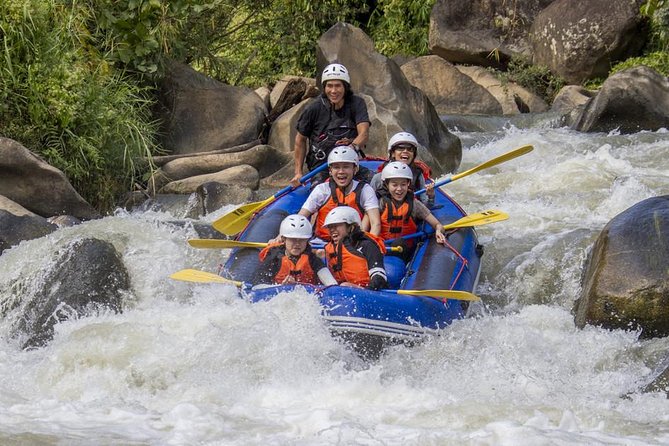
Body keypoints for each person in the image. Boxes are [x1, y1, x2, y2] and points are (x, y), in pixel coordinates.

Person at [290, 63, 371, 187]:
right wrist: (298, 173)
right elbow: (300, 140)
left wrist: (352, 147)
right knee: (319, 191)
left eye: (338, 86)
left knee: (377, 181)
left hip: (349, 165)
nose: (333, 91)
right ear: (324, 87)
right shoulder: (314, 108)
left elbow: (364, 133)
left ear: (345, 87)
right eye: (329, 86)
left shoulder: (356, 103)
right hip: (321, 168)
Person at [298, 145, 381, 241]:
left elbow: (376, 224)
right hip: (322, 243)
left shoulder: (365, 190)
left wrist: (368, 245)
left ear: (355, 169)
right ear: (330, 171)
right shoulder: (322, 190)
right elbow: (301, 216)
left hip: (353, 243)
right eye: (336, 167)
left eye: (346, 167)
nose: (341, 171)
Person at [375, 161, 446, 258]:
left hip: (404, 249)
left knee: (399, 243)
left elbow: (437, 224)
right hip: (383, 246)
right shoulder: (381, 203)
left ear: (408, 184)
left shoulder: (415, 204)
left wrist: (438, 231)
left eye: (403, 184)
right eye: (394, 185)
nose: (399, 189)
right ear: (387, 185)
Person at [252, 214, 338, 286]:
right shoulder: (273, 259)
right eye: (293, 239)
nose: (297, 244)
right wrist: (281, 287)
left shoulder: (313, 260)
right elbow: (258, 287)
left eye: (301, 240)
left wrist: (297, 285)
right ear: (284, 239)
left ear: (307, 240)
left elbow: (331, 284)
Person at [322, 206, 388, 290]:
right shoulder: (329, 248)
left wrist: (367, 290)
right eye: (330, 227)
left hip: (368, 292)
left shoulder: (366, 245)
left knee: (344, 286)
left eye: (336, 226)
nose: (332, 230)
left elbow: (379, 276)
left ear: (351, 227)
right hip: (342, 291)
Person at [370, 132, 435, 206]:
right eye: (400, 148)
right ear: (393, 153)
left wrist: (431, 196)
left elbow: (426, 205)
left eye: (410, 149)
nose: (405, 151)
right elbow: (369, 204)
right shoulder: (378, 178)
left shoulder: (417, 175)